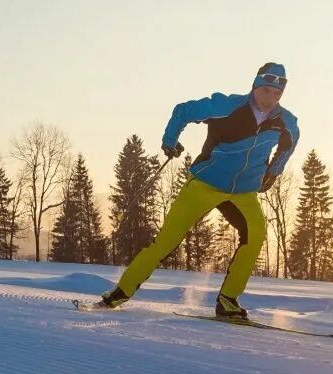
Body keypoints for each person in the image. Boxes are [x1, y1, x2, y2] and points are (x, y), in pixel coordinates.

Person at [98, 63, 299, 320]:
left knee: (255, 236)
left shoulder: (286, 122)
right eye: (267, 91)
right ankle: (118, 294)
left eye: (277, 94)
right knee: (166, 241)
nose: (271, 98)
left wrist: (272, 173)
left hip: (243, 192)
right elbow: (183, 111)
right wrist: (170, 140)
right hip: (205, 183)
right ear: (255, 86)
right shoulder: (225, 106)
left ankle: (228, 302)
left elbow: (288, 147)